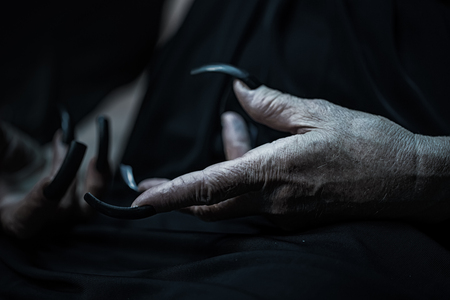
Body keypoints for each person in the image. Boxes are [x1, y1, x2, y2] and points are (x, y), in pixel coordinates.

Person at [1, 0, 450, 298]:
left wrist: (415, 170)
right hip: (154, 207)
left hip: (369, 218)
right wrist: (80, 163)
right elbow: (166, 58)